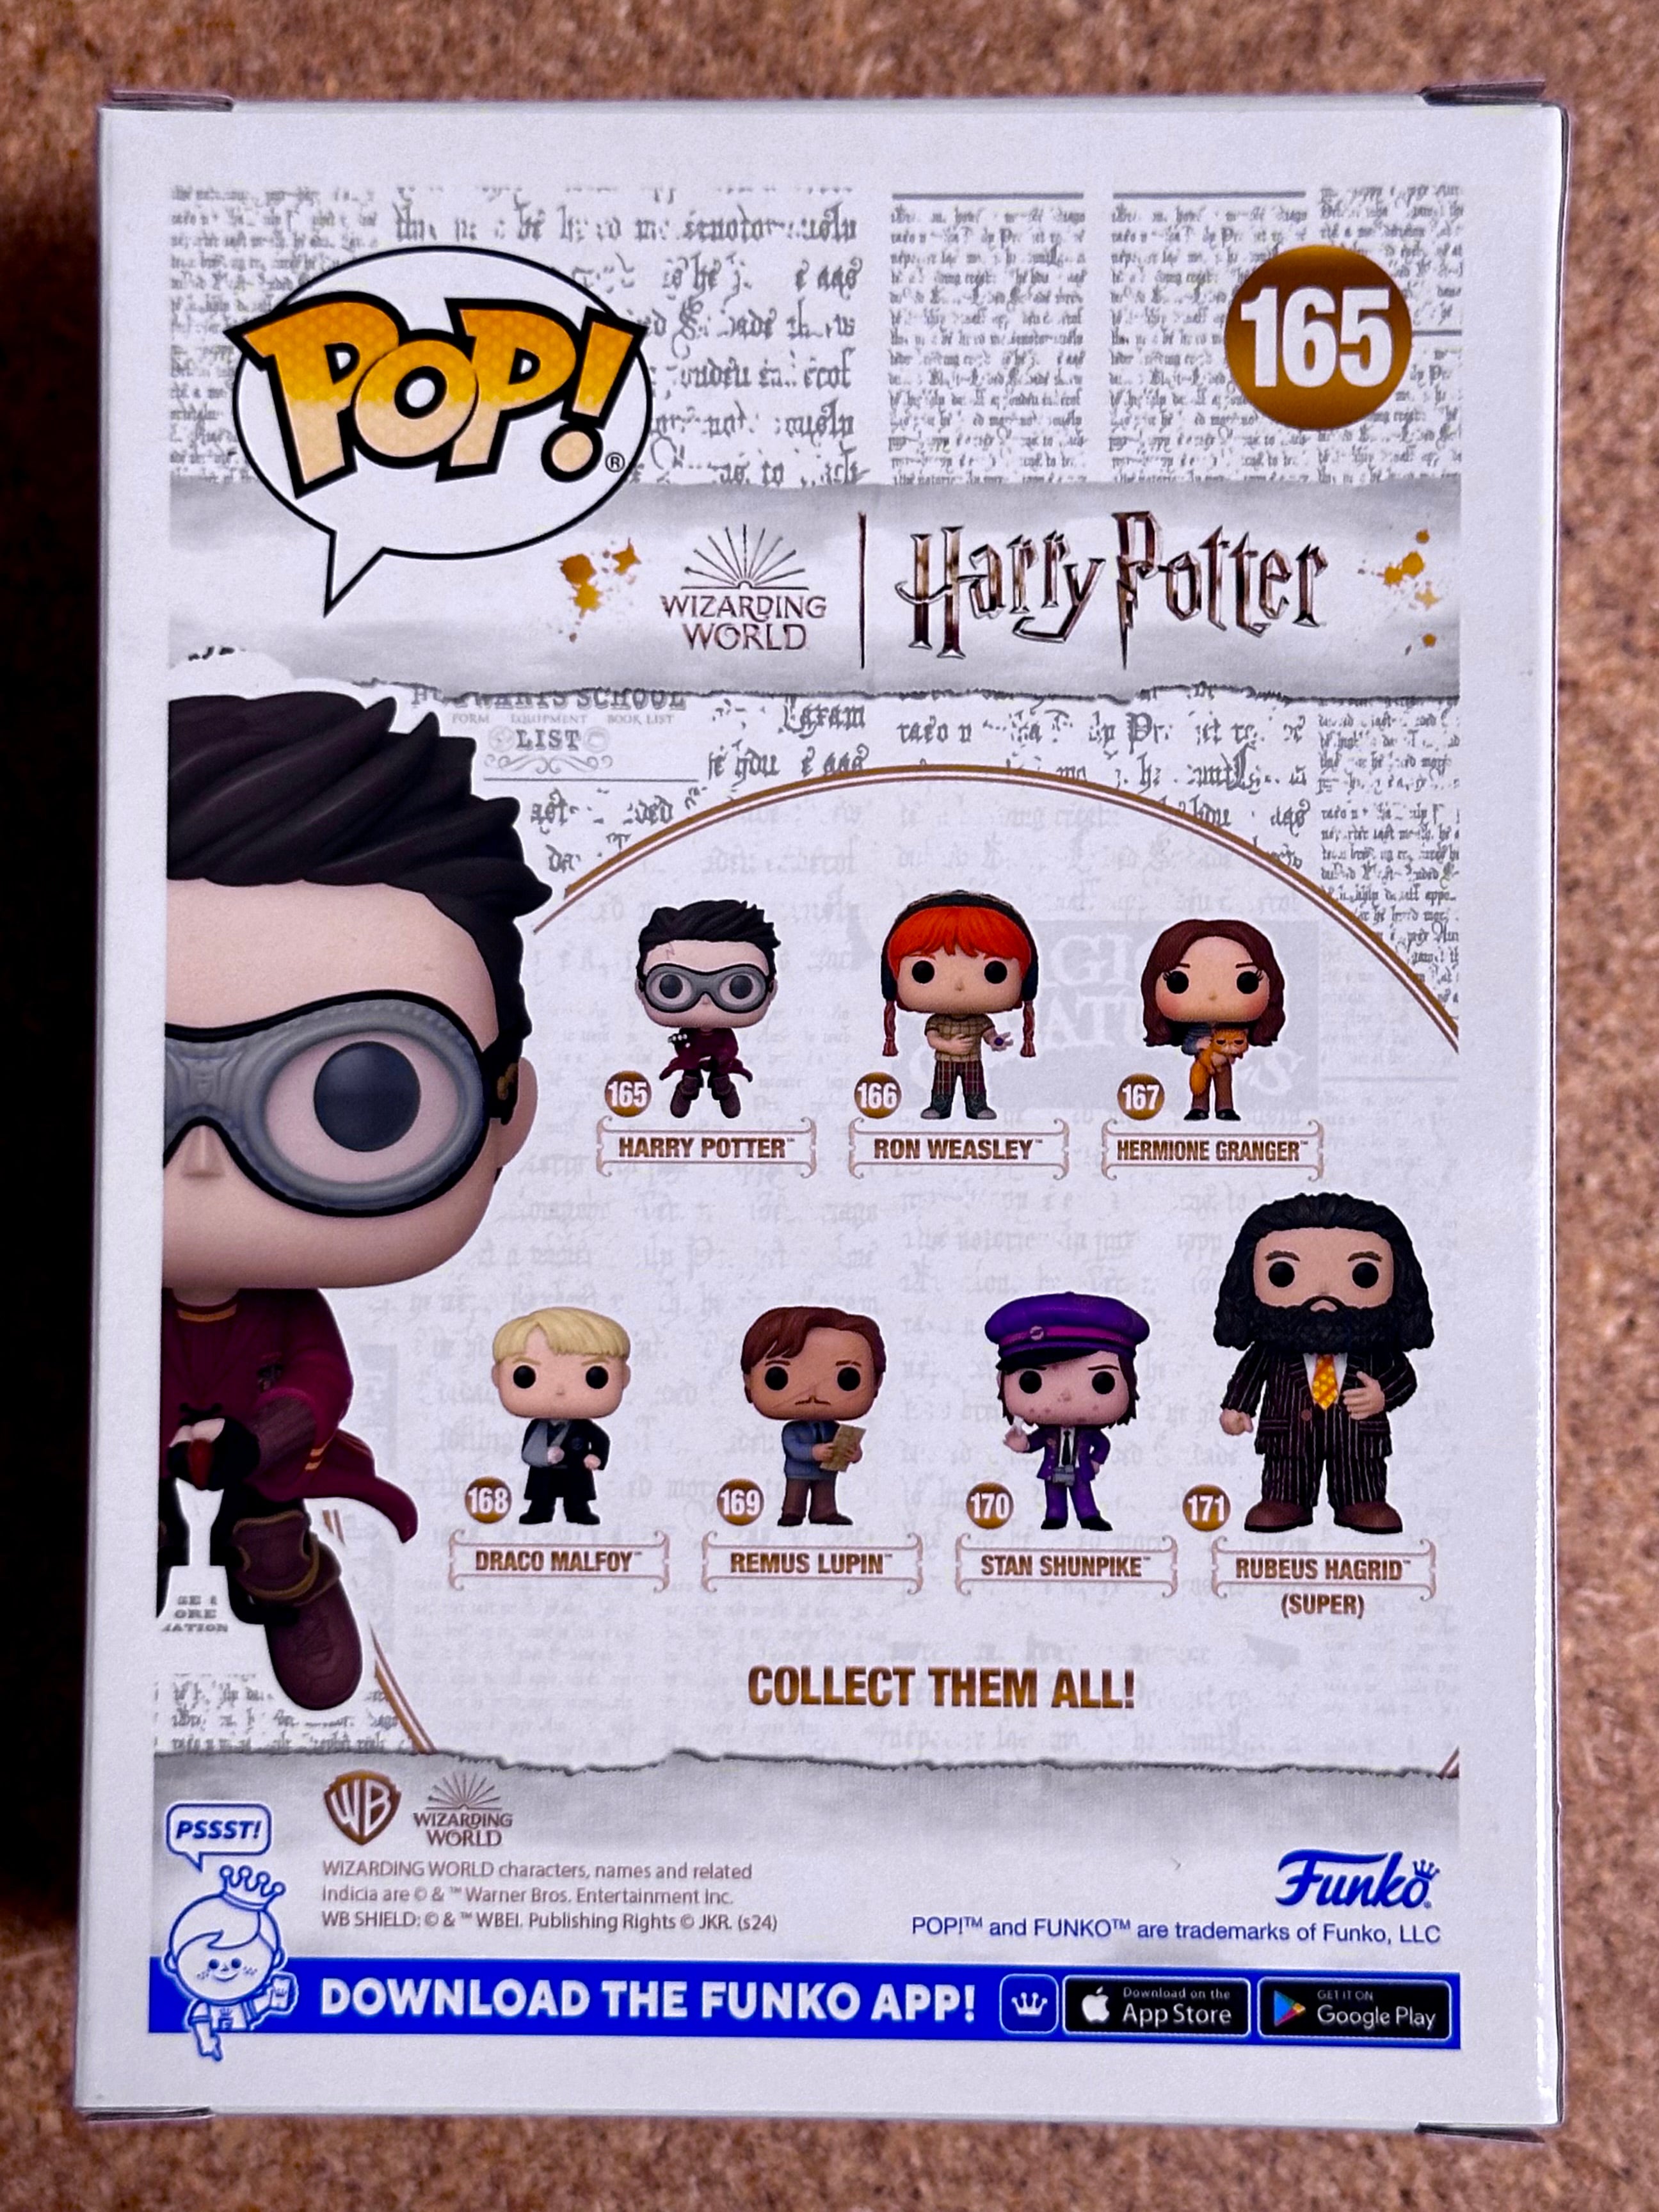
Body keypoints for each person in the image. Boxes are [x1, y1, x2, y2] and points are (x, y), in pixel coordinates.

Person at [162, 689, 547, 1708]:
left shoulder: (284, 1310)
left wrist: (261, 1438)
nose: (198, 1164)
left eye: (366, 1097)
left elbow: (316, 1378)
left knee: (269, 1528)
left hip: (260, 1457)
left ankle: (284, 1583)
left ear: (506, 1111)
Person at [1214, 1191, 1434, 1535]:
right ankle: (1286, 1499)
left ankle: (1361, 1500)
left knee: (1360, 1472)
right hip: (1289, 1437)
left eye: (1364, 1274)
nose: (1323, 1294)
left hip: (1357, 1438)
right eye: (1283, 1273)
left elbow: (1403, 1375)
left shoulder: (1375, 1345)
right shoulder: (1273, 1347)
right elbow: (1250, 1374)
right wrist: (1237, 1407)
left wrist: (1382, 1396)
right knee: (1286, 1473)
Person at [985, 1292, 1150, 1531]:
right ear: (1001, 1381)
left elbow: (1103, 1445)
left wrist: (1096, 1461)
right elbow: (1035, 1442)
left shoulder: (1088, 1434)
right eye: (1031, 1382)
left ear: (1131, 1380)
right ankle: (1055, 1515)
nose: (1065, 1396)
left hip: (1079, 1469)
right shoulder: (1048, 1433)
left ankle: (1089, 1515)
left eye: (1102, 1382)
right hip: (1053, 1469)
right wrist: (1022, 1444)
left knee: (1083, 1492)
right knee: (1054, 1492)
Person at [879, 891, 1038, 1121]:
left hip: (973, 1061)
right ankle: (939, 1107)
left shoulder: (980, 1021)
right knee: (942, 1085)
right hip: (945, 1061)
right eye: (924, 971)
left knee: (975, 1084)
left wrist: (997, 1041)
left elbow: (990, 1035)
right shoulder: (937, 1021)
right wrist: (949, 1046)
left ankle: (977, 1107)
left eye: (994, 972)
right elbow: (933, 1039)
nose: (959, 985)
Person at [741, 1304, 886, 1527]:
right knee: (796, 1493)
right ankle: (792, 1512)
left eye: (848, 1378)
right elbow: (794, 1449)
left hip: (827, 1472)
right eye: (778, 1377)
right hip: (799, 1472)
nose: (813, 1393)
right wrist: (814, 1452)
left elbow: (847, 1448)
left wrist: (854, 1453)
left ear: (876, 1382)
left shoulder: (834, 1429)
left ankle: (824, 1512)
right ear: (749, 1381)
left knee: (825, 1493)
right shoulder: (793, 1430)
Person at [634, 897, 779, 1119]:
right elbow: (684, 1047)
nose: (705, 1001)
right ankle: (688, 1089)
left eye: (740, 987)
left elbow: (730, 1046)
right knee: (690, 1075)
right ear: (641, 988)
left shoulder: (724, 1035)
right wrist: (683, 1048)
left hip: (721, 1059)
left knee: (721, 1077)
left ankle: (724, 1088)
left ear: (771, 989)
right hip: (692, 1056)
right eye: (671, 986)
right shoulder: (688, 1032)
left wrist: (724, 1058)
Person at [492, 1306, 632, 1525]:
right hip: (544, 1472)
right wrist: (544, 1456)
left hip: (576, 1471)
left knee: (577, 1499)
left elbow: (601, 1440)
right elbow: (528, 1450)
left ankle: (578, 1512)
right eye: (525, 1376)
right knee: (541, 1497)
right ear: (497, 1377)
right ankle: (540, 1511)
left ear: (623, 1377)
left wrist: (596, 1457)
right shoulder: (538, 1428)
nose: (559, 1390)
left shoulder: (584, 1427)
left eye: (595, 1376)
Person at [1139, 918, 1285, 1122]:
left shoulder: (1234, 1027)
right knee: (1200, 1083)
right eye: (1178, 981)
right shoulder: (1196, 1028)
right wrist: (1197, 1045)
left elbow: (1241, 1043)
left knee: (1224, 1082)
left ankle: (1225, 1108)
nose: (1213, 995)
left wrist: (1233, 1049)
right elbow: (1187, 1046)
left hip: (1223, 1061)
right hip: (1202, 1061)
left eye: (1247, 982)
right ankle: (1199, 1108)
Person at [163, 1865, 297, 2060]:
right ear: (173, 1963)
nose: (224, 1969)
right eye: (213, 1964)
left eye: (236, 1963)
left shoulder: (243, 2007)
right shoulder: (204, 2009)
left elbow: (265, 2004)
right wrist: (206, 2042)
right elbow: (201, 2025)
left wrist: (274, 1998)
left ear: (275, 1960)